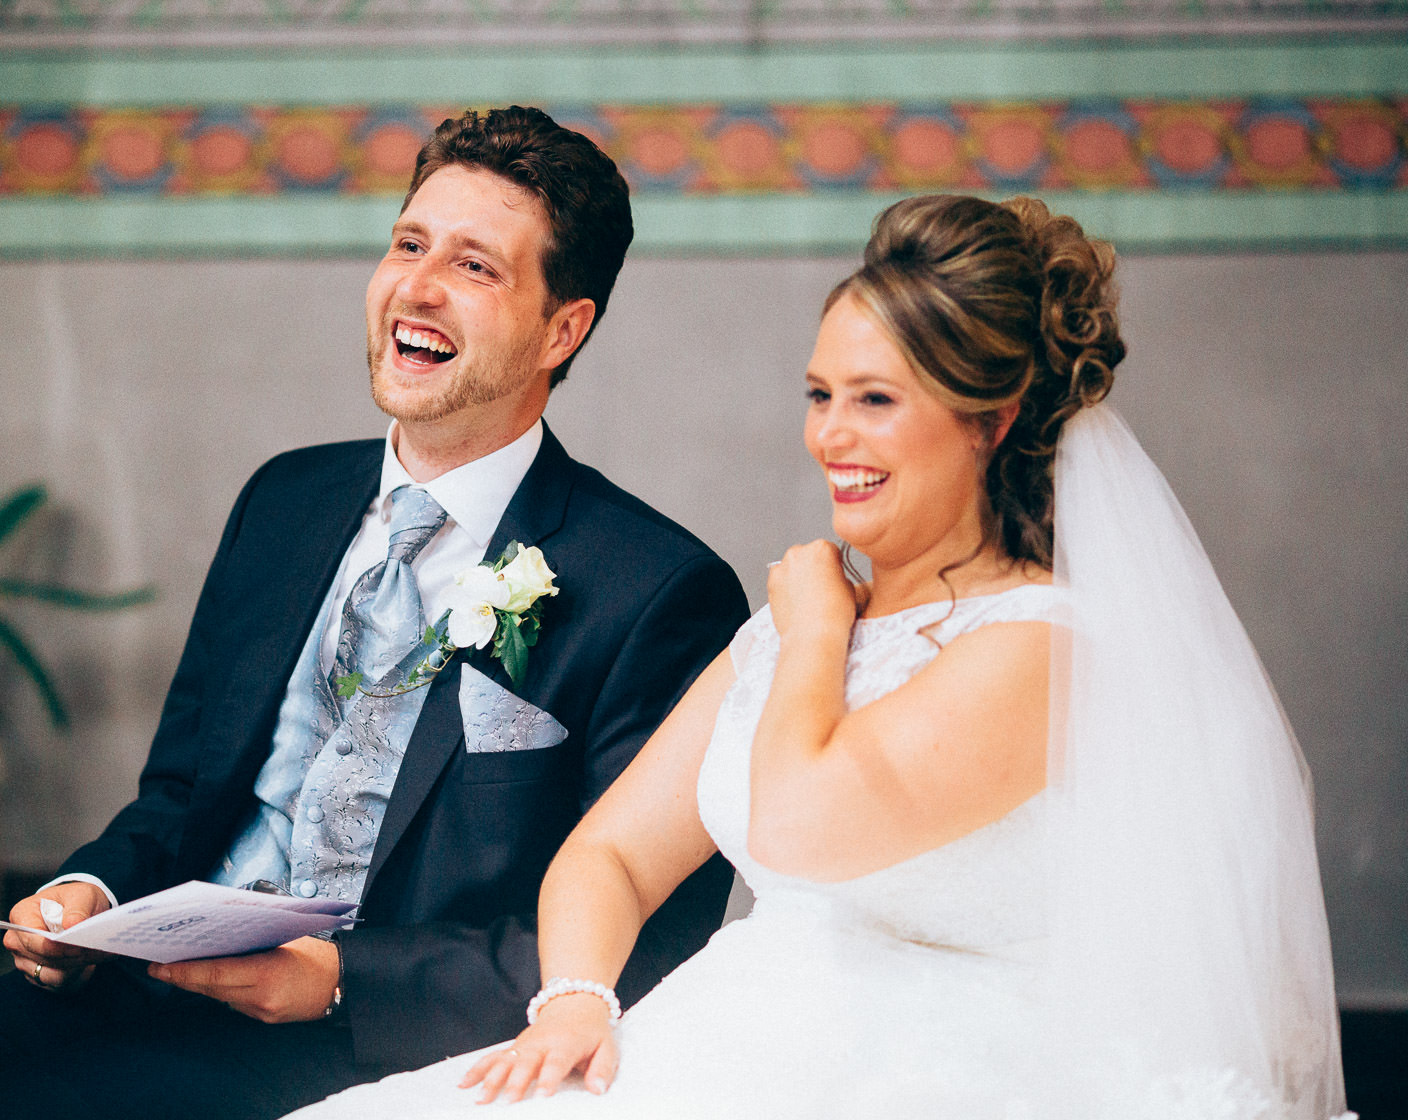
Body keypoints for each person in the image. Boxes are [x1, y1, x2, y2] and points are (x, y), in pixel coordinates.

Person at [288, 194, 1350, 1119]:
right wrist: (575, 994)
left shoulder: (1037, 646)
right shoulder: (801, 614)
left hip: (942, 1078)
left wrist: (818, 635)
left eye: (876, 399)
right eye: (820, 393)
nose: (832, 435)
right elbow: (608, 854)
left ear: (991, 419)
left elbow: (798, 826)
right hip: (736, 1031)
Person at [0, 106, 748, 1120]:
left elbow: (647, 936)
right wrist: (94, 895)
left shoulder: (657, 588)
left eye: (475, 267)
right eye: (408, 244)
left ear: (565, 327)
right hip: (140, 978)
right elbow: (176, 798)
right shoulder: (283, 501)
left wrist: (342, 977)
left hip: (358, 1042)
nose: (417, 288)